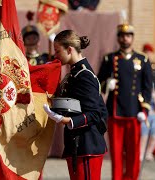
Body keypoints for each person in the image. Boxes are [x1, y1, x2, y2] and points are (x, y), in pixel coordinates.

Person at [43, 30, 108, 180]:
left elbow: (95, 113)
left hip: (87, 144)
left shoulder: (84, 75)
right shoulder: (74, 74)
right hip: (76, 144)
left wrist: (67, 121)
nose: (56, 55)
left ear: (69, 49)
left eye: (58, 51)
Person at [97, 23, 153, 180]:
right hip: (115, 112)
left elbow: (148, 88)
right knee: (116, 152)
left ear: (132, 38)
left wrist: (145, 111)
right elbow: (98, 82)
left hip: (135, 112)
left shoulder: (143, 59)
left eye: (128, 35)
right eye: (122, 36)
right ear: (118, 38)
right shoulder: (110, 58)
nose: (125, 38)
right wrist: (107, 83)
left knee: (133, 152)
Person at [140, 43, 155, 161]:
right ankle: (142, 153)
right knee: (144, 128)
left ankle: (152, 152)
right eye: (146, 52)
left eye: (149, 52)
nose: (147, 54)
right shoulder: (140, 65)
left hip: (154, 97)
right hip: (144, 97)